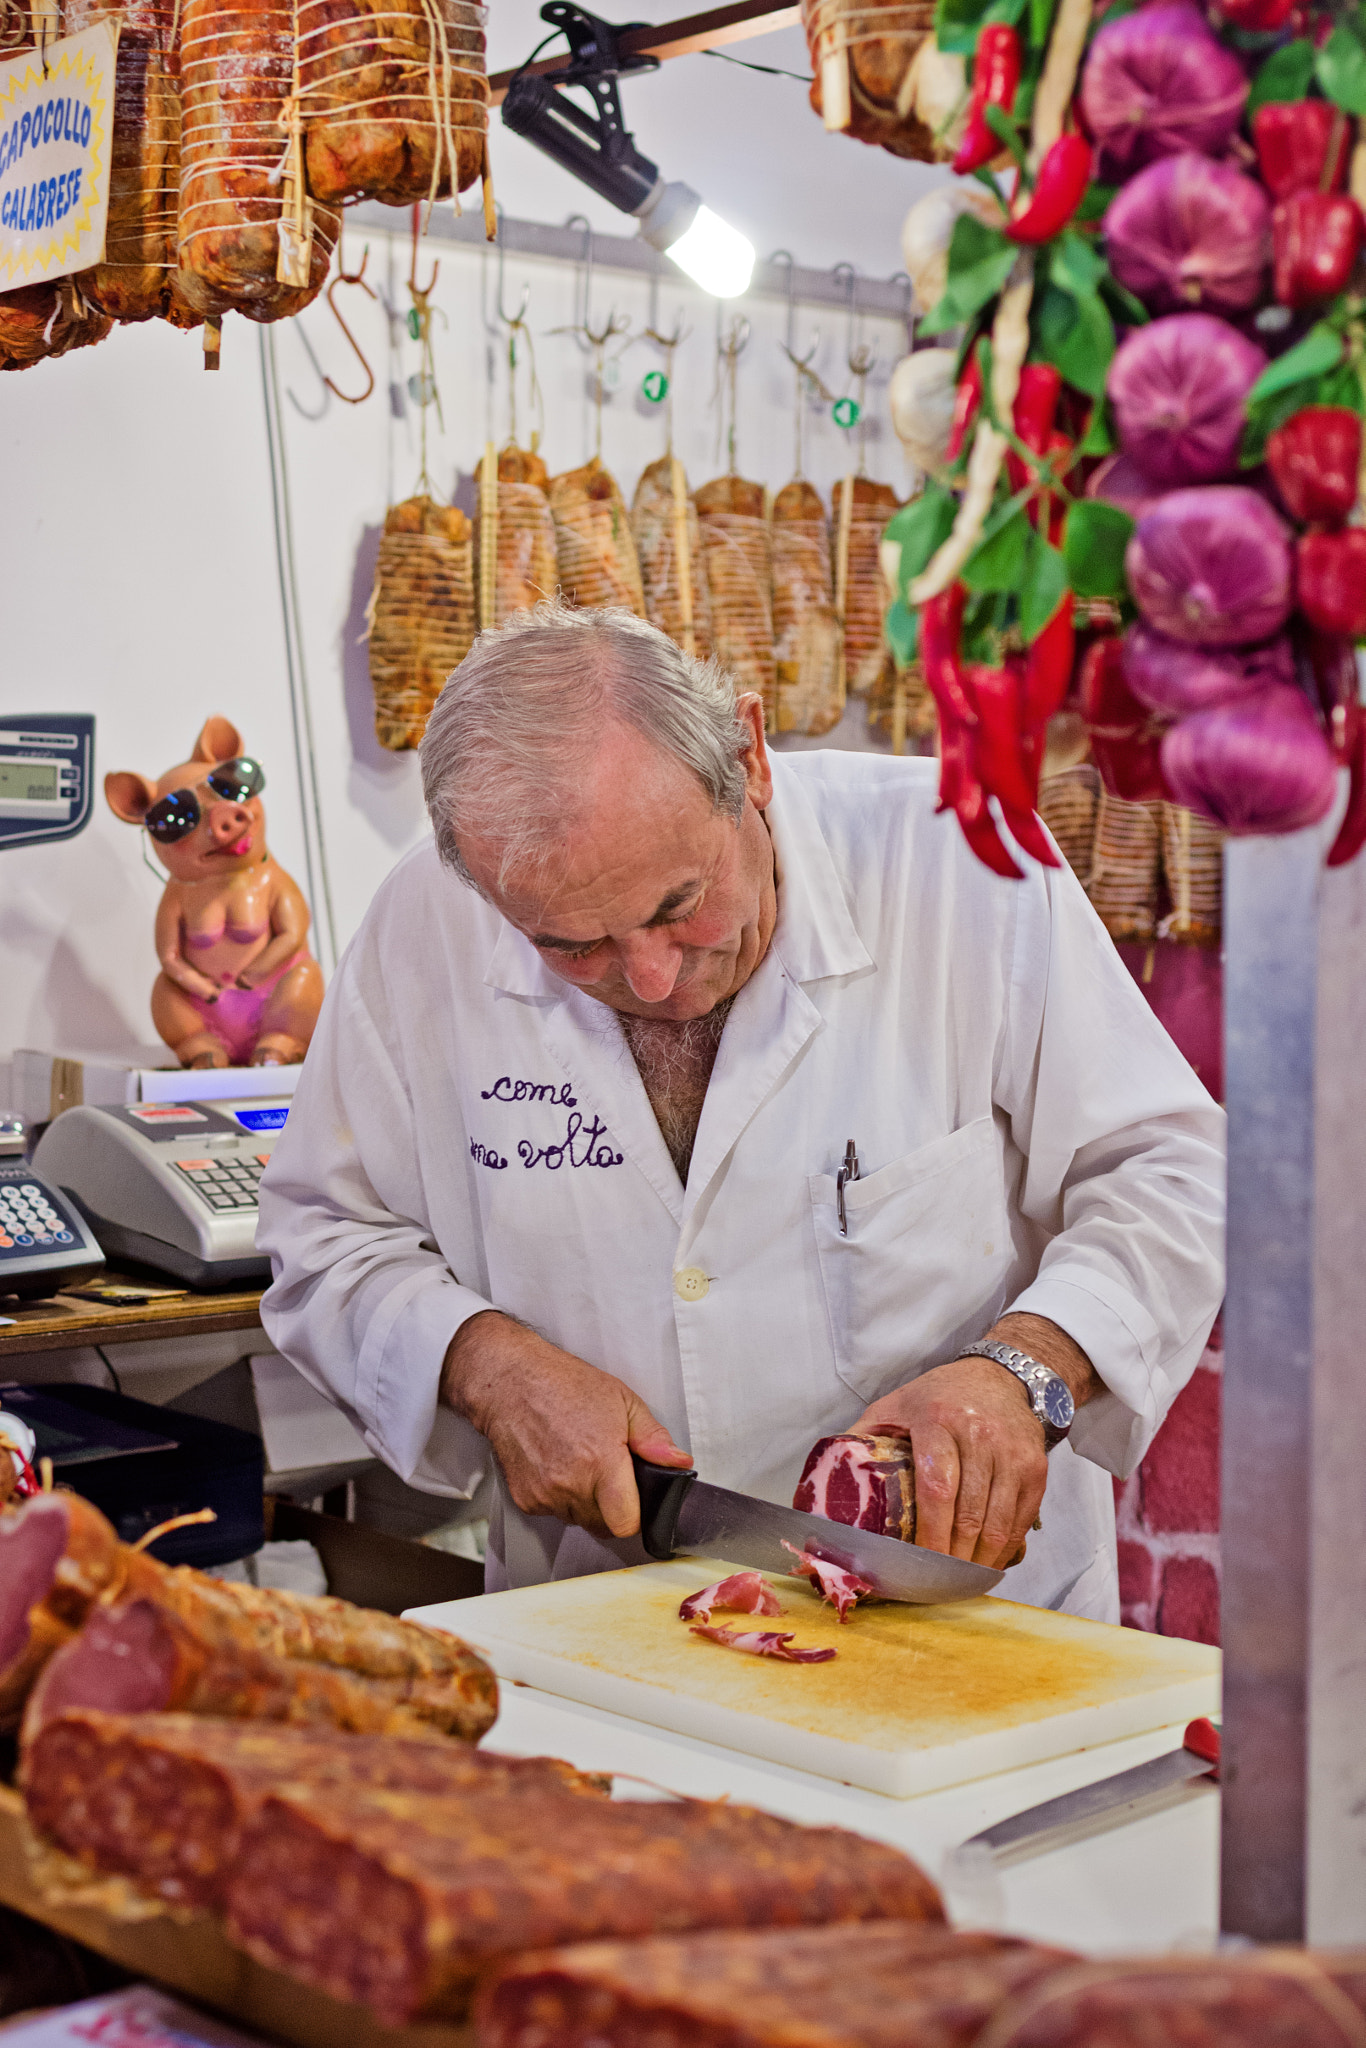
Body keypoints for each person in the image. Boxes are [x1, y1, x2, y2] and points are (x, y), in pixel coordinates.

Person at [257, 601, 1224, 1618]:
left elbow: (1163, 1169)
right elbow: (325, 1232)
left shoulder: (961, 859)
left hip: (967, 1613)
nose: (651, 973)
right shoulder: (427, 920)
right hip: (602, 1620)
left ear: (749, 759)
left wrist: (1025, 1367)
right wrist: (484, 1364)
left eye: (679, 904)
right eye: (570, 945)